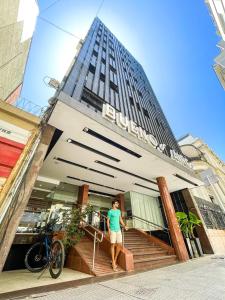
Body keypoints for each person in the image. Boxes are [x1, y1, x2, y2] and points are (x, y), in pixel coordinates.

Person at [107, 200, 128, 271]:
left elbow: (120, 219)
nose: (118, 204)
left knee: (120, 244)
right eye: (116, 203)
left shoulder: (119, 211)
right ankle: (113, 262)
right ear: (113, 204)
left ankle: (114, 260)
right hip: (112, 230)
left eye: (118, 203)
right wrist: (109, 229)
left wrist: (124, 226)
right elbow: (107, 220)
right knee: (113, 244)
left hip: (118, 229)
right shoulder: (110, 211)